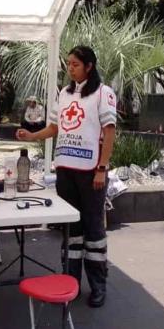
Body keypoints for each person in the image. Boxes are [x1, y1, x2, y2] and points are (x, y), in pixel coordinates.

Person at [16, 46, 116, 308]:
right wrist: (31, 135)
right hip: (65, 171)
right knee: (71, 229)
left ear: (89, 66)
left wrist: (102, 168)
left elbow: (109, 132)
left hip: (90, 172)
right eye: (69, 64)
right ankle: (69, 280)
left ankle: (98, 285)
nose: (70, 68)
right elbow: (53, 128)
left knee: (94, 229)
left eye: (75, 64)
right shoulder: (64, 93)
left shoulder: (103, 94)